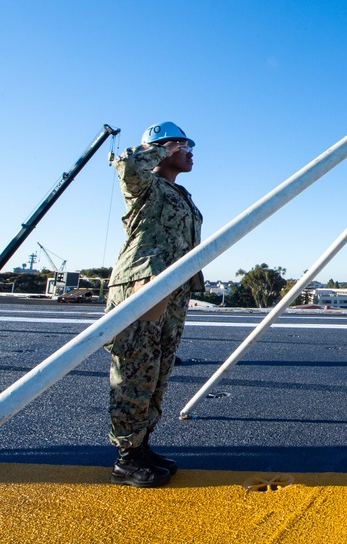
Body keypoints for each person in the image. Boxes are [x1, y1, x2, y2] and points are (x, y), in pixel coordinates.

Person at [105, 121, 203, 488]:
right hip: (141, 287)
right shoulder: (144, 185)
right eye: (184, 145)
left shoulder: (182, 195)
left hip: (173, 293)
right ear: (164, 147)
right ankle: (125, 459)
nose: (191, 151)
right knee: (135, 370)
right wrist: (164, 148)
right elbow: (128, 164)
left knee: (157, 373)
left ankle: (142, 446)